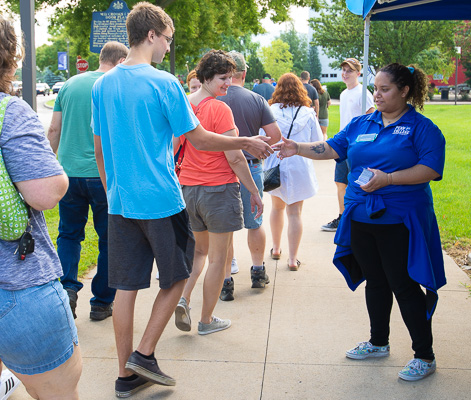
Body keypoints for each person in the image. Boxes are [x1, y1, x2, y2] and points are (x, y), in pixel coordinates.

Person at [91, 3, 273, 396]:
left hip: (121, 202)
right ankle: (144, 354)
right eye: (167, 40)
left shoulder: (101, 84)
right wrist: (245, 140)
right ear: (152, 34)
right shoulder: (164, 83)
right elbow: (201, 139)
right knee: (178, 276)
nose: (167, 49)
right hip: (160, 199)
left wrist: (111, 192)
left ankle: (126, 378)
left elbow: (100, 149)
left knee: (126, 289)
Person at [274, 63, 446, 381]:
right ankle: (378, 342)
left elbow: (431, 169)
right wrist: (296, 147)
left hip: (400, 218)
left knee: (404, 284)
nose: (376, 95)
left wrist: (389, 179)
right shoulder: (361, 123)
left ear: (405, 91)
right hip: (362, 215)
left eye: (384, 89)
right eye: (375, 88)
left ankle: (424, 355)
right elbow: (331, 148)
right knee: (375, 280)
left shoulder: (422, 128)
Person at [0, 15, 82, 398]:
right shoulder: (9, 112)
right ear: (10, 56)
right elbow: (45, 193)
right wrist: (61, 175)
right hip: (17, 286)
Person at [173, 50, 264, 335]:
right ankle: (207, 321)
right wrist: (254, 192)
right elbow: (235, 157)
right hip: (219, 191)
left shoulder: (185, 104)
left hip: (189, 190)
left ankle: (184, 299)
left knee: (198, 253)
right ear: (208, 78)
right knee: (217, 259)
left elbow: (173, 147)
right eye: (223, 78)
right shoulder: (219, 109)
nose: (228, 83)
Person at [47, 41, 129, 322]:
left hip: (69, 174)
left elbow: (54, 129)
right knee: (109, 239)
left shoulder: (69, 85)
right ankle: (101, 303)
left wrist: (49, 167)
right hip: (103, 175)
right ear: (120, 61)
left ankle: (67, 288)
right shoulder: (115, 86)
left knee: (69, 234)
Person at [217, 51, 282, 301]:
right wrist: (256, 143)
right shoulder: (256, 99)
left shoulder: (214, 99)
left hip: (219, 168)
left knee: (224, 229)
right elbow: (274, 135)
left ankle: (225, 282)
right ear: (244, 74)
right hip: (251, 166)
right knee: (255, 221)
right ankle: (257, 271)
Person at [264, 73, 321, 270]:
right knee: (295, 213)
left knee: (277, 208)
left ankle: (277, 248)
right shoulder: (308, 113)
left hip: (275, 162)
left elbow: (263, 138)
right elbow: (318, 140)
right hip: (299, 163)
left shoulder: (270, 111)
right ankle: (292, 258)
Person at [321, 58, 374, 232]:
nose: (345, 74)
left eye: (349, 70)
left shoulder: (362, 92)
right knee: (340, 182)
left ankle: (358, 218)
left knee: (358, 182)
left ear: (358, 73)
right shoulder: (344, 94)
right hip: (344, 145)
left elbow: (371, 117)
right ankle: (343, 217)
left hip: (358, 147)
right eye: (343, 70)